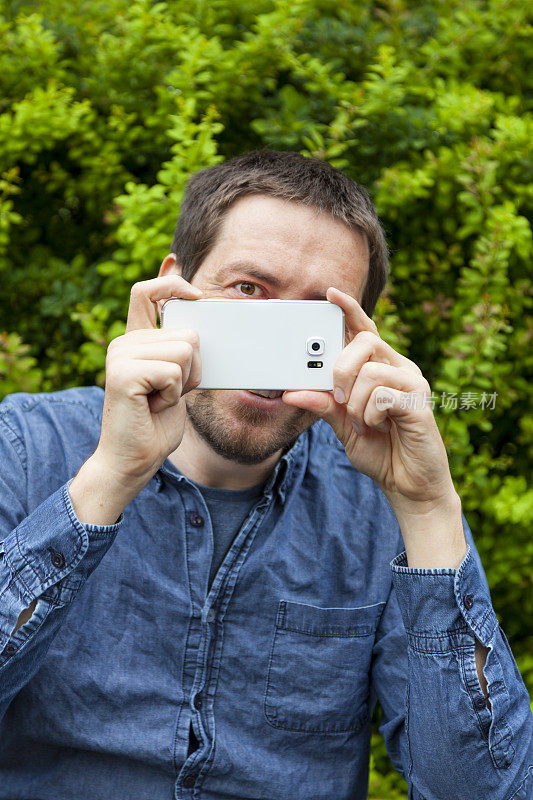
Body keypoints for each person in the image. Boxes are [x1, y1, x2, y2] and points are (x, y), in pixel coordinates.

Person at [0, 149, 530, 800]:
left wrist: (428, 509)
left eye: (315, 316)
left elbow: (481, 790)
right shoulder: (23, 449)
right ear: (173, 292)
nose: (275, 341)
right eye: (248, 289)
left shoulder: (382, 505)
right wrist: (110, 477)